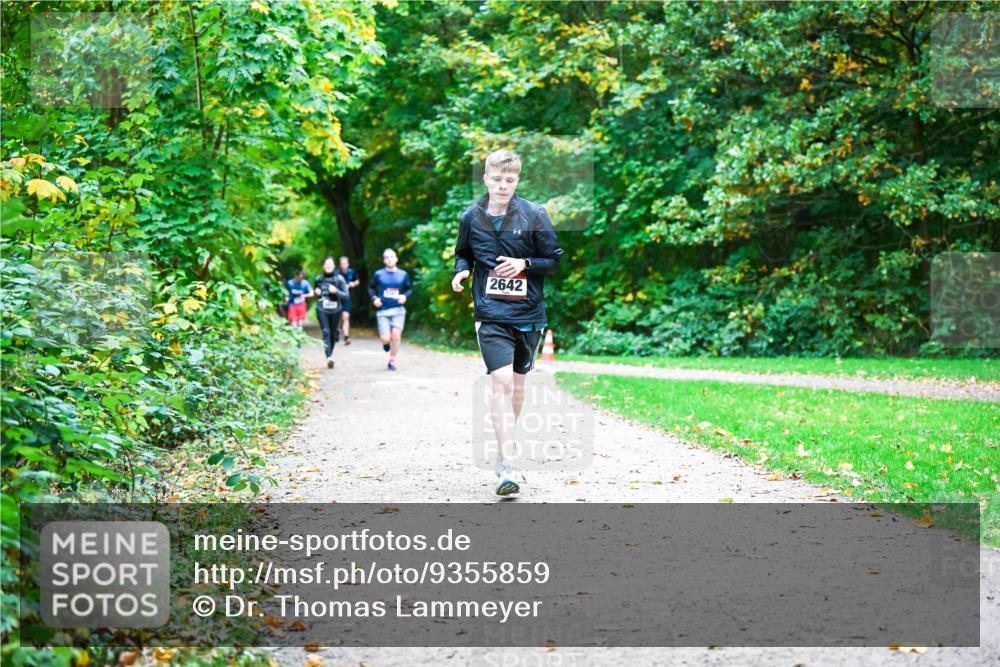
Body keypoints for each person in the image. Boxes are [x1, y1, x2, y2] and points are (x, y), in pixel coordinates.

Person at [451, 149, 562, 496]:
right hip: (491, 313)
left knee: (516, 387)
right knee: (500, 383)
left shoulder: (534, 215)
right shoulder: (471, 217)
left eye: (509, 180)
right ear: (486, 179)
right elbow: (463, 252)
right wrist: (461, 272)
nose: (503, 185)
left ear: (517, 180)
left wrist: (524, 263)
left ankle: (503, 450)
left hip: (528, 315)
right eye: (497, 179)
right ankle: (507, 466)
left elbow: (554, 260)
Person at [368, 248, 412, 371]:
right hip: (383, 310)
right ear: (384, 260)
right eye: (387, 257)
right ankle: (386, 343)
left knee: (396, 335)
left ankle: (392, 360)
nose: (389, 259)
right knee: (386, 338)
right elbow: (371, 288)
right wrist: (374, 299)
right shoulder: (379, 274)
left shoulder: (403, 274)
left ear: (396, 259)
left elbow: (409, 289)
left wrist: (404, 296)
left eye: (392, 256)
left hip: (398, 310)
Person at [313, 256, 349, 369]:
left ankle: (330, 354)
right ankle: (329, 357)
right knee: (326, 331)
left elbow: (346, 296)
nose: (328, 267)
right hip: (322, 308)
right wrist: (316, 292)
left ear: (334, 266)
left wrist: (336, 291)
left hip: (336, 309)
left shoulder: (339, 279)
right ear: (323, 266)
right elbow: (315, 293)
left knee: (333, 333)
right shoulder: (318, 278)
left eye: (330, 265)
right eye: (326, 265)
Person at [336, 256, 360, 345]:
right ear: (340, 265)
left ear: (348, 264)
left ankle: (346, 336)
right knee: (338, 317)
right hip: (337, 298)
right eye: (342, 264)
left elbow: (357, 281)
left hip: (347, 298)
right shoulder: (336, 274)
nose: (343, 265)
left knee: (345, 316)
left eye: (345, 263)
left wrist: (353, 284)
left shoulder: (352, 272)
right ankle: (337, 332)